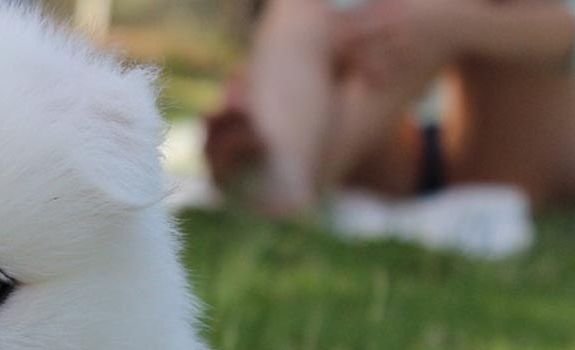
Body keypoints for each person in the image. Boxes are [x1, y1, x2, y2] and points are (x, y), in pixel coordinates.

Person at [206, 0, 575, 218]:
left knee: (436, 16)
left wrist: (452, 25)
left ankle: (274, 182)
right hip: (417, 155)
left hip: (520, 162)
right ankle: (284, 170)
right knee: (299, 10)